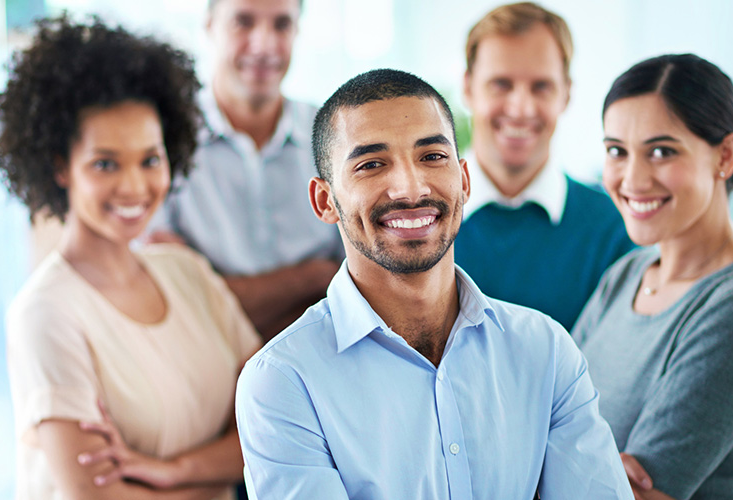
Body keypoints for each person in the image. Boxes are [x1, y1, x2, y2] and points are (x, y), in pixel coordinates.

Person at [234, 68, 631, 499]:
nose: (410, 188)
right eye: (371, 164)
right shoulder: (283, 381)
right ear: (324, 200)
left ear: (463, 180)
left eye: (432, 157)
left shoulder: (546, 351)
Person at [0, 16, 261, 500]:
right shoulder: (47, 314)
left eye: (150, 159)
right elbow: (94, 496)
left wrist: (173, 471)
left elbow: (271, 420)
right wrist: (218, 472)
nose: (135, 187)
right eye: (105, 164)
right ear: (60, 167)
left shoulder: (186, 272)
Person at [571, 53, 733, 500]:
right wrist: (585, 466)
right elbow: (550, 407)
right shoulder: (628, 274)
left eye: (661, 151)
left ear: (726, 155)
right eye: (617, 151)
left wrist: (557, 457)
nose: (632, 178)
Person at [145, 0, 343, 339]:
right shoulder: (158, 142)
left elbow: (367, 286)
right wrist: (317, 278)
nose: (264, 44)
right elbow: (180, 301)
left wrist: (224, 295)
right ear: (209, 26)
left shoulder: (336, 134)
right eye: (243, 22)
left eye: (281, 24)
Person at [454, 2, 633, 330]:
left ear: (566, 94)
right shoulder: (416, 219)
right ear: (468, 87)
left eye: (541, 87)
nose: (521, 108)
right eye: (501, 84)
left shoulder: (614, 230)